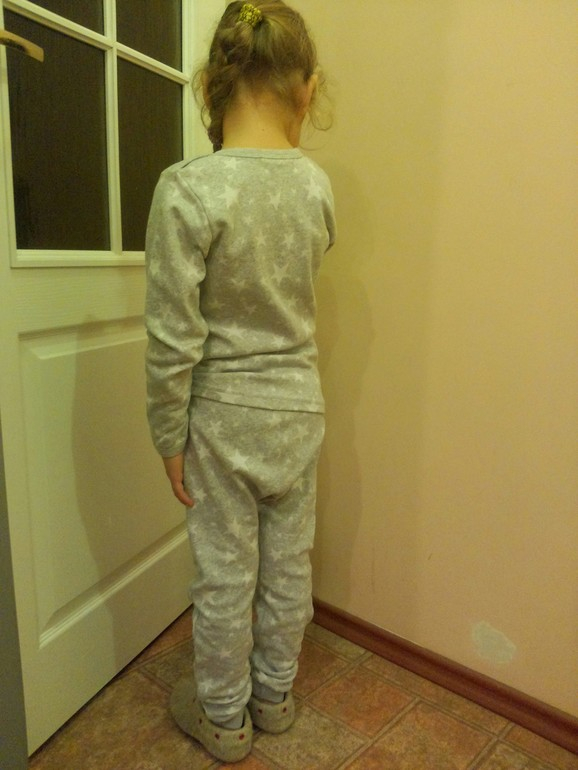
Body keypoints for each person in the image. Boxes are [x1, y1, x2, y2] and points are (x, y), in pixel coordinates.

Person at [145, 0, 335, 762]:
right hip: (299, 410)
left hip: (224, 420)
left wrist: (168, 433)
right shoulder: (316, 187)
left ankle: (225, 717)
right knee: (288, 566)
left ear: (211, 85)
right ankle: (275, 697)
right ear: (306, 90)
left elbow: (172, 335)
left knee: (226, 575)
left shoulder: (189, 189)